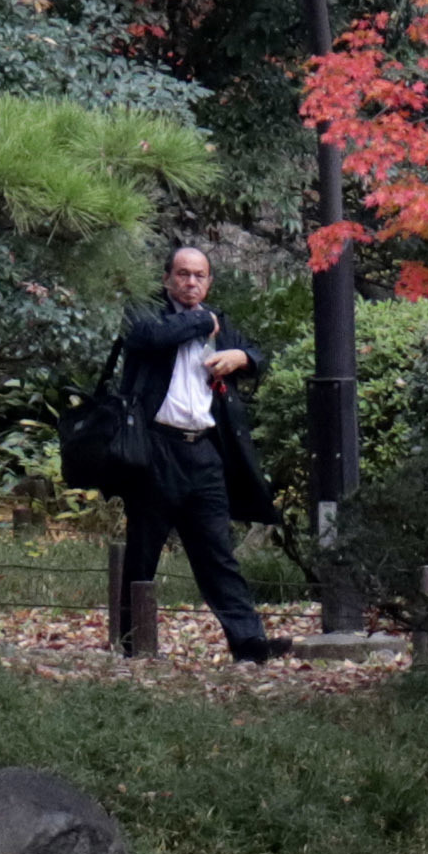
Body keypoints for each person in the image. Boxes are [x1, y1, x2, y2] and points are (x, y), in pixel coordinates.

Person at [104, 242, 277, 664]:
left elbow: (259, 356)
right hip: (156, 451)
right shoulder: (147, 314)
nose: (191, 282)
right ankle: (132, 644)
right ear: (166, 279)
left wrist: (242, 357)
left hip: (204, 452)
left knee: (218, 553)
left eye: (199, 275)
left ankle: (250, 645)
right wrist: (203, 321)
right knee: (143, 551)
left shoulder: (219, 322)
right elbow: (148, 339)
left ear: (209, 281)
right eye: (183, 274)